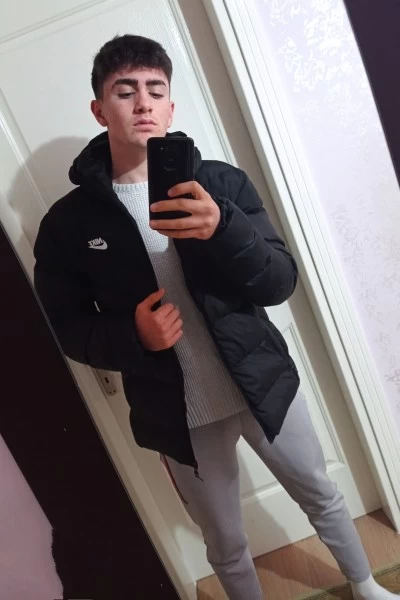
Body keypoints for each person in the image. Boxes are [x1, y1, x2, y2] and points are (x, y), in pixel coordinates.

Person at [33, 34, 398, 600]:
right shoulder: (68, 223)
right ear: (100, 110)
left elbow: (279, 281)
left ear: (171, 107)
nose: (143, 102)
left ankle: (365, 585)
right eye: (125, 92)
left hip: (262, 383)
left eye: (156, 90)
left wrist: (224, 228)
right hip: (176, 410)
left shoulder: (220, 183)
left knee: (320, 492)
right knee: (225, 541)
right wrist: (133, 335)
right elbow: (63, 325)